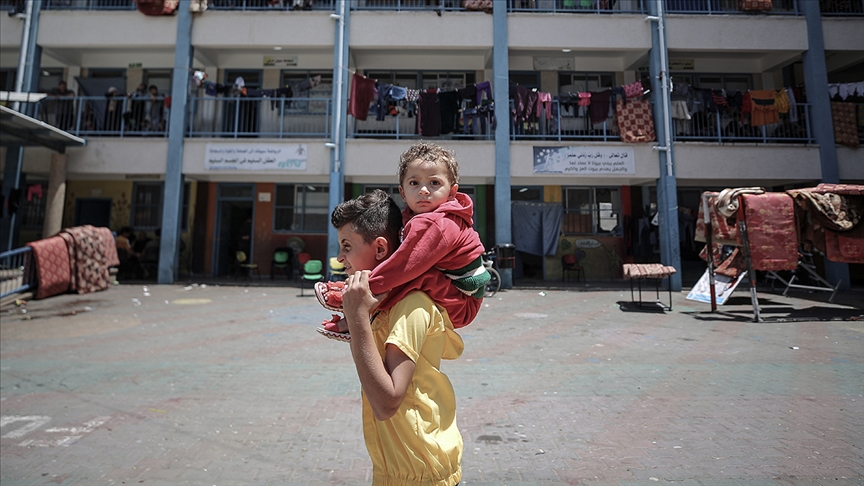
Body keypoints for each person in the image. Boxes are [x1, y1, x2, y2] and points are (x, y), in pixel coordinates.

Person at [334, 190, 464, 485]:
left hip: (423, 473)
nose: (340, 257)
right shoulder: (385, 303)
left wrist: (356, 319)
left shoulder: (411, 305)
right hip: (393, 470)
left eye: (347, 246)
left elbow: (387, 403)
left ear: (380, 249)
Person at [317, 141, 489, 332]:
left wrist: (366, 288)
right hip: (454, 293)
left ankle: (355, 301)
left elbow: (404, 266)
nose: (424, 190)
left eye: (434, 183)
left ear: (452, 192)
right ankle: (358, 311)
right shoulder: (416, 217)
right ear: (403, 193)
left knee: (411, 275)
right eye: (414, 183)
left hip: (461, 302)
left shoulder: (438, 223)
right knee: (407, 275)